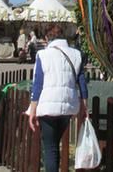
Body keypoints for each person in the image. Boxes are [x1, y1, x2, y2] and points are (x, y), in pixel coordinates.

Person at [28, 24, 88, 172]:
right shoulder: (76, 54)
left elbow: (38, 84)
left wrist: (32, 109)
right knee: (55, 145)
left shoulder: (43, 55)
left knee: (50, 147)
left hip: (47, 106)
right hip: (68, 107)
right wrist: (85, 106)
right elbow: (82, 83)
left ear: (48, 37)